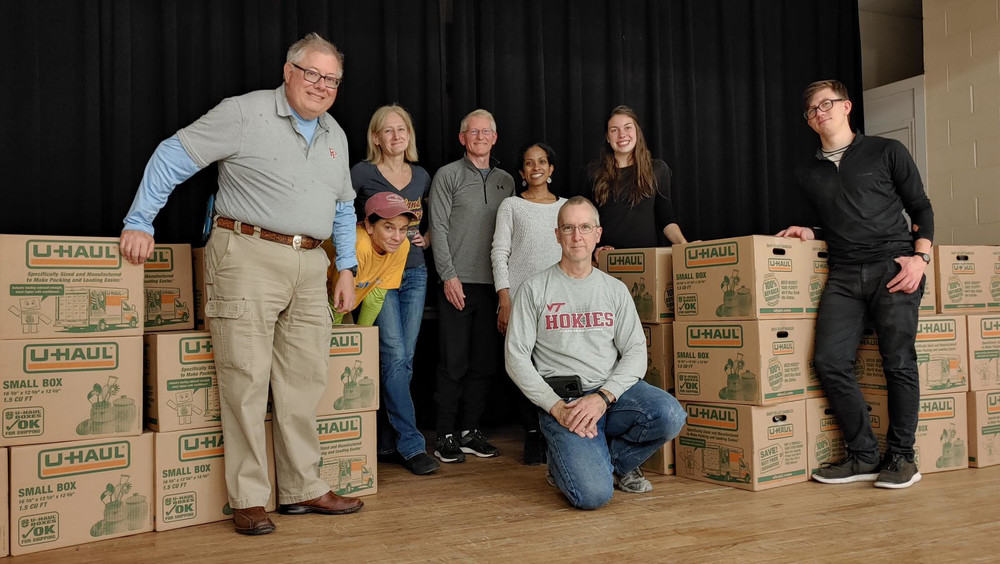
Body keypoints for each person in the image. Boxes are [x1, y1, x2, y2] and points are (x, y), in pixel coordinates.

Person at [119, 33, 364, 535]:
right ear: (289, 71)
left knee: (304, 381)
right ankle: (249, 498)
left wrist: (347, 269)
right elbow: (173, 154)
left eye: (332, 79)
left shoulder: (336, 134)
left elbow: (343, 208)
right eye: (312, 73)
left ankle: (304, 488)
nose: (321, 85)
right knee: (245, 378)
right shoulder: (244, 112)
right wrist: (140, 220)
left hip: (311, 263)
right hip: (247, 254)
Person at [778, 79, 934, 489]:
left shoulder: (886, 151)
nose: (820, 112)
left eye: (826, 103)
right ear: (809, 121)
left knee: (898, 362)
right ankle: (863, 454)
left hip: (894, 267)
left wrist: (921, 259)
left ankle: (902, 458)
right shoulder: (807, 172)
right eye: (811, 109)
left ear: (847, 106)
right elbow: (837, 217)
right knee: (829, 362)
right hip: (845, 273)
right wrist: (811, 231)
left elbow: (920, 206)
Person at [505, 196, 687, 509]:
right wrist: (557, 408)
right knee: (592, 496)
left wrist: (603, 398)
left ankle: (613, 462)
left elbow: (635, 353)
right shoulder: (534, 289)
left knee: (670, 414)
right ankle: (566, 462)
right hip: (565, 402)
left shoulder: (614, 289)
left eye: (585, 227)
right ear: (557, 234)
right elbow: (516, 358)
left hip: (610, 397)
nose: (577, 236)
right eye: (569, 228)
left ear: (598, 234)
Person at [350, 105, 438, 476]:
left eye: (402, 130)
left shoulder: (421, 176)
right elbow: (338, 210)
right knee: (395, 352)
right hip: (376, 274)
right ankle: (411, 444)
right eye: (387, 131)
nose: (396, 136)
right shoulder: (362, 172)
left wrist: (427, 239)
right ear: (376, 138)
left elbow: (433, 223)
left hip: (414, 272)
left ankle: (385, 439)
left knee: (404, 358)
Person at [428, 109, 515, 463]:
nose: (480, 136)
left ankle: (470, 431)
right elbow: (438, 228)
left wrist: (505, 288)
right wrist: (448, 276)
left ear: (495, 138)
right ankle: (445, 434)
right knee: (453, 363)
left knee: (484, 363)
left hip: (493, 286)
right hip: (456, 283)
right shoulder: (447, 175)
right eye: (473, 131)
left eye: (486, 131)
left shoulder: (507, 181)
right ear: (462, 138)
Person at [491, 142, 567, 465]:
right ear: (522, 173)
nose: (536, 167)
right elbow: (499, 253)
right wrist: (504, 299)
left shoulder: (566, 207)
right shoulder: (511, 206)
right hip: (520, 300)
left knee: (555, 367)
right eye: (528, 163)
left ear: (551, 169)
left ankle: (555, 430)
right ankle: (532, 434)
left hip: (558, 302)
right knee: (523, 368)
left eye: (542, 162)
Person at [584, 105, 687, 262]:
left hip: (648, 263)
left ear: (637, 131)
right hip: (607, 262)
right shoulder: (592, 173)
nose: (622, 135)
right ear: (607, 137)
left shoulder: (657, 169)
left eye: (627, 127)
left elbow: (665, 218)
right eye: (614, 130)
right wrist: (594, 250)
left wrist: (683, 245)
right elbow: (585, 223)